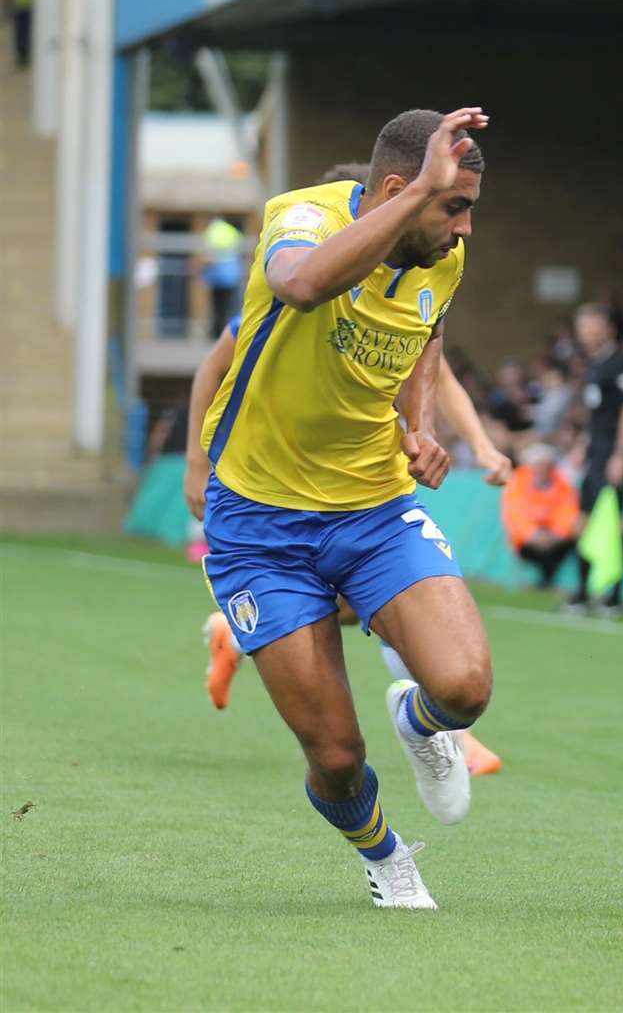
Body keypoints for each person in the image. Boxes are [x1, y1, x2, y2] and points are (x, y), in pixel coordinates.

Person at [196, 107, 492, 909]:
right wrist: (197, 463)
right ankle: (386, 854)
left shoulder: (443, 260)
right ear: (397, 189)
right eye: (451, 206)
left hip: (371, 509)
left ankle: (422, 723)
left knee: (465, 686)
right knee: (334, 754)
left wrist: (420, 426)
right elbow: (300, 284)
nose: (463, 230)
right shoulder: (299, 217)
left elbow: (425, 339)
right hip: (260, 528)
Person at [184, 298, 511, 779]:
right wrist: (197, 460)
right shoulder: (298, 300)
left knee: (380, 602)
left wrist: (480, 445)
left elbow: (437, 375)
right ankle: (447, 732)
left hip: (375, 488)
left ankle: (236, 634)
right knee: (378, 606)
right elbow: (212, 370)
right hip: (283, 497)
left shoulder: (404, 309)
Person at [566, 303, 623, 616]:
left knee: (616, 522)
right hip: (596, 453)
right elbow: (599, 415)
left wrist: (621, 454)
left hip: (611, 455)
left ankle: (616, 596)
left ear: (607, 327)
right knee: (583, 521)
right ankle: (583, 592)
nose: (584, 333)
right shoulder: (597, 366)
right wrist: (583, 443)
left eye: (589, 326)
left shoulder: (620, 366)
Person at [501, 442, 579, 588]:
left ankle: (547, 581)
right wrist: (533, 535)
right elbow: (515, 514)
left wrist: (556, 535)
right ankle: (545, 580)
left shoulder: (562, 484)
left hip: (554, 539)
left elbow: (568, 512)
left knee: (570, 543)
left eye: (546, 465)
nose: (542, 469)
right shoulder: (518, 482)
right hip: (528, 541)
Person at [201, 217, 245, 337]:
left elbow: (208, 255)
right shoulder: (231, 231)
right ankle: (226, 331)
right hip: (232, 274)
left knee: (217, 306)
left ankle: (217, 331)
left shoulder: (212, 231)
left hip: (216, 275)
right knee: (230, 306)